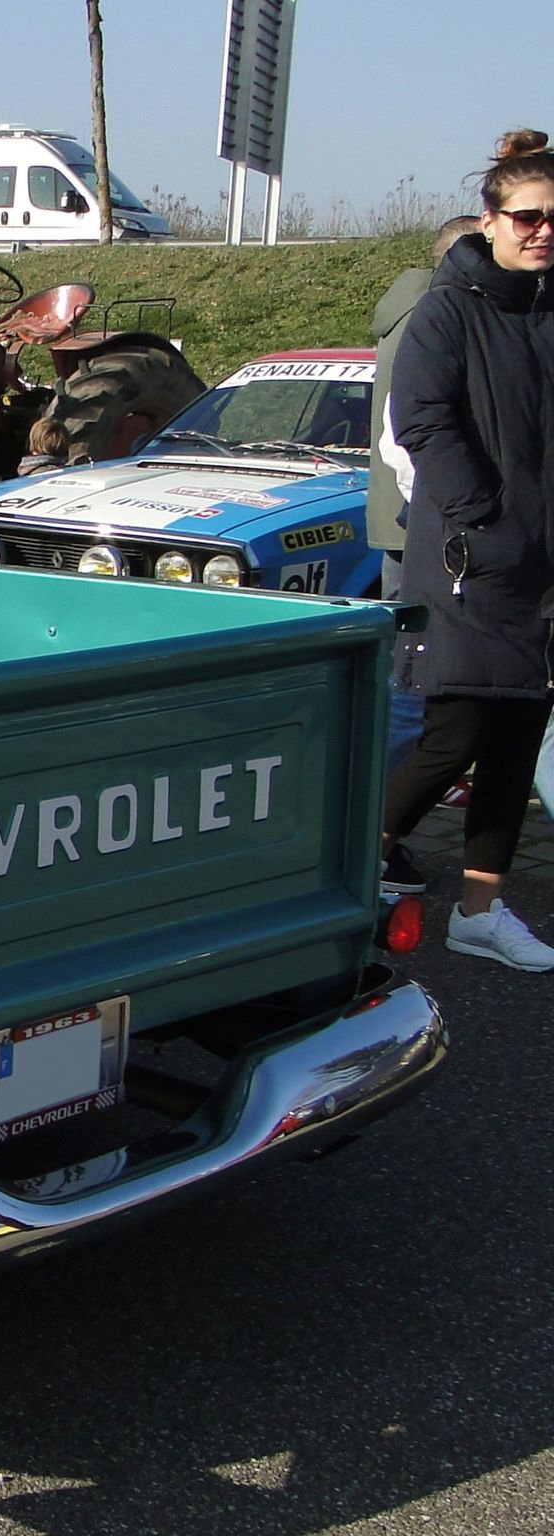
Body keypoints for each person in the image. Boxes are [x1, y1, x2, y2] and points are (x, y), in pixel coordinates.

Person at [381, 129, 554, 971]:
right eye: (527, 217)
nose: (543, 231)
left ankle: (480, 909)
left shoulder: (550, 307)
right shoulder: (450, 308)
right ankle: (355, 854)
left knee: (521, 728)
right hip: (472, 557)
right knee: (456, 732)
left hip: (544, 564)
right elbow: (421, 419)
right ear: (490, 220)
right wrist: (482, 513)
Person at [371, 216, 481, 779]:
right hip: (433, 526)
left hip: (415, 520)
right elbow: (412, 435)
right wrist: (468, 506)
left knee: (414, 675)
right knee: (416, 681)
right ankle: (381, 827)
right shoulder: (436, 322)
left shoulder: (408, 315)